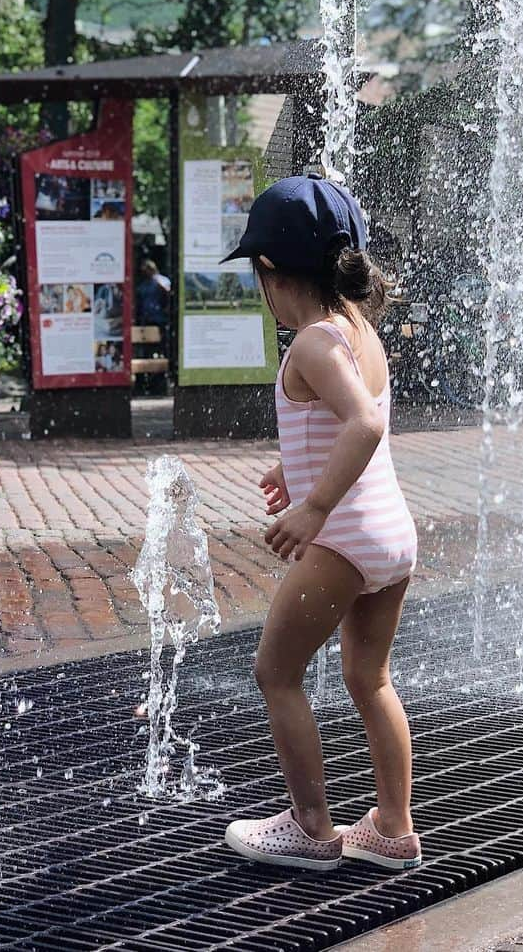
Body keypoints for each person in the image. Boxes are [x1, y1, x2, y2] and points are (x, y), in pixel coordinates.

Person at [220, 176, 421, 873]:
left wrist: (314, 507)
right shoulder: (358, 329)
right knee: (371, 680)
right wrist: (294, 472)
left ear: (270, 272)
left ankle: (311, 828)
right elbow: (347, 420)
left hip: (344, 539)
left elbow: (363, 421)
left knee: (275, 672)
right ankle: (392, 829)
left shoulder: (310, 342)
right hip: (393, 535)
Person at [135, 259, 171, 330]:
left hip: (158, 317)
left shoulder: (162, 280)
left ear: (152, 269)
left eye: (146, 270)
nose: (144, 273)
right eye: (143, 271)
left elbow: (168, 293)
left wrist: (159, 283)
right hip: (145, 318)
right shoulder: (143, 283)